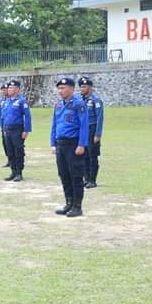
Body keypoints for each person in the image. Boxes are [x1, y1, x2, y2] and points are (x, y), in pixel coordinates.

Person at [51, 78, 89, 218]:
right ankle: (69, 203)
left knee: (76, 175)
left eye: (63, 88)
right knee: (64, 175)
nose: (61, 91)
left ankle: (77, 206)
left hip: (73, 144)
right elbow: (54, 125)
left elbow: (84, 125)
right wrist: (52, 143)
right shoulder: (58, 105)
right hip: (61, 144)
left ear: (72, 89)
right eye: (59, 88)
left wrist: (81, 144)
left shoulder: (78, 104)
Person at [2, 79, 32, 181]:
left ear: (17, 89)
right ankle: (13, 172)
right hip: (7, 129)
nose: (9, 89)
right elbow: (4, 116)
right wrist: (3, 129)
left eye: (11, 88)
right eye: (9, 87)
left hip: (17, 129)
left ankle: (19, 173)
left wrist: (26, 130)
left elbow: (27, 116)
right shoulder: (6, 101)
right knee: (10, 151)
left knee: (18, 151)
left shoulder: (21, 101)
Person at [78, 77, 104, 188]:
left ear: (90, 87)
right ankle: (86, 178)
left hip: (92, 129)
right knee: (84, 156)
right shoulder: (80, 100)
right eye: (81, 87)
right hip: (83, 130)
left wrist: (97, 134)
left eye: (84, 86)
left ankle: (92, 180)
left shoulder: (95, 100)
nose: (82, 89)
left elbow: (99, 117)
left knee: (92, 155)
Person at [0, 84, 10, 167]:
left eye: (5, 89)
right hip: (3, 126)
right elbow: (1, 114)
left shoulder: (12, 100)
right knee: (5, 143)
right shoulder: (2, 101)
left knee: (11, 144)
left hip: (10, 126)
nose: (3, 91)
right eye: (2, 90)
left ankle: (13, 160)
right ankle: (9, 159)